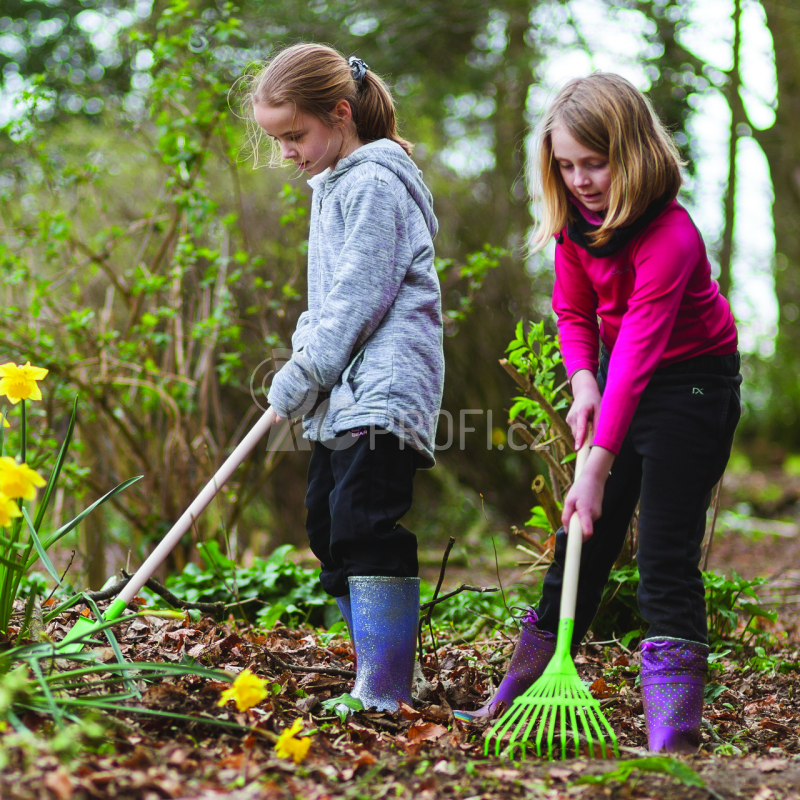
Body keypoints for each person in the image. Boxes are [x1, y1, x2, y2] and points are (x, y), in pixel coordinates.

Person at [455, 73, 741, 753]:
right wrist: (583, 380)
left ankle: (673, 735)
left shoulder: (671, 236)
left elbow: (642, 347)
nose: (581, 180)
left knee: (665, 559)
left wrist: (597, 464)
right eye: (566, 165)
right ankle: (514, 694)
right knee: (582, 545)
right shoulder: (576, 227)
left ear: (634, 152)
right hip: (618, 376)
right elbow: (574, 311)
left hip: (692, 388)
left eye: (596, 163)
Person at [242, 44, 443, 713]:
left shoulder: (374, 183)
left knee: (364, 521)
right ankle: (374, 671)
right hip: (343, 389)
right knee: (327, 526)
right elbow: (325, 303)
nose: (286, 153)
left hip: (383, 386)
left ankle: (384, 689)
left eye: (294, 135)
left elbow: (360, 297)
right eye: (276, 140)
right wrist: (302, 361)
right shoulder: (334, 183)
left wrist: (308, 370)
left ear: (339, 112)